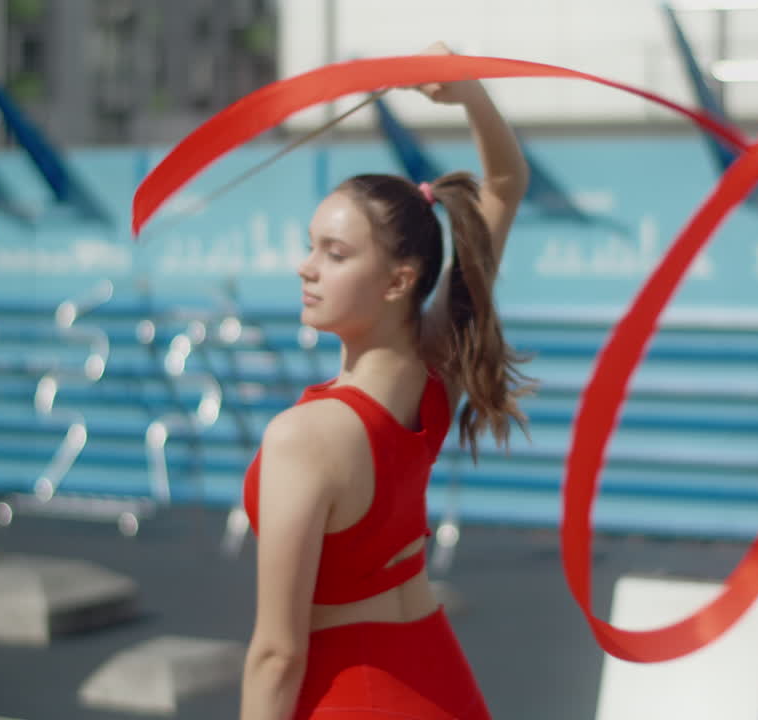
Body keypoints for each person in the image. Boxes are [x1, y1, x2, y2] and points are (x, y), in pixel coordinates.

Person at [239, 42, 533, 720]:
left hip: (352, 696)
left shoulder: (303, 438)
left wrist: (467, 88)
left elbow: (276, 655)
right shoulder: (440, 372)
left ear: (401, 280)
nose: (305, 268)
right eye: (311, 245)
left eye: (334, 253)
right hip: (443, 683)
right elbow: (507, 185)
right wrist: (470, 92)